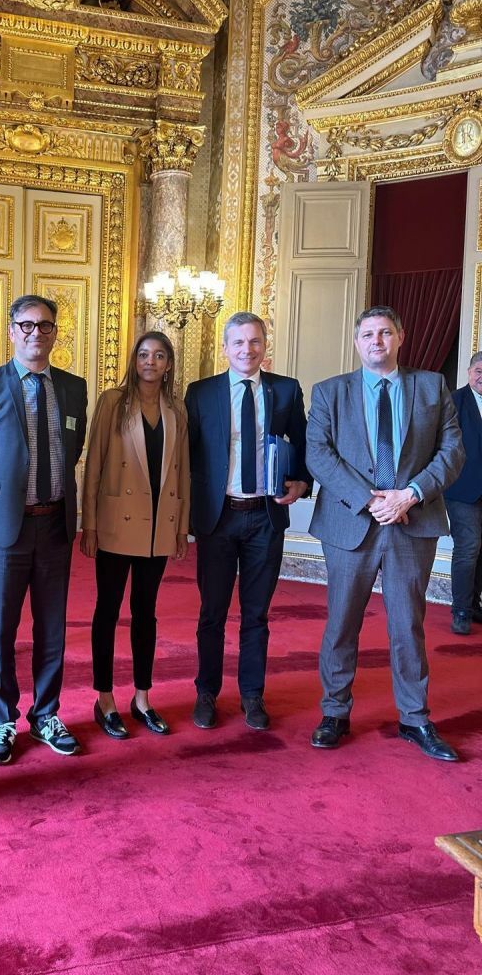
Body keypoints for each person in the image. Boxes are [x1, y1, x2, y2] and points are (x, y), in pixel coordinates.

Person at [307, 305, 464, 761]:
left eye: (385, 333)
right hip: (350, 522)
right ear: (357, 343)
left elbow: (452, 451)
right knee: (340, 623)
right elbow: (319, 454)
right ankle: (334, 712)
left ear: (401, 337)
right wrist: (370, 498)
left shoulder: (432, 386)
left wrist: (409, 494)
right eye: (368, 334)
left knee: (407, 626)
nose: (377, 341)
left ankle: (415, 718)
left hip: (412, 523)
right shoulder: (329, 392)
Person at [0, 294, 87, 765]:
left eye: (45, 326)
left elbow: (72, 448)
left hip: (54, 526)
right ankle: (2, 720)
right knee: (1, 631)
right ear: (11, 331)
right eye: (26, 325)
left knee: (53, 628)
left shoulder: (74, 388)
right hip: (4, 532)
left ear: (55, 333)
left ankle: (47, 713)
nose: (36, 333)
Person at [185, 311, 310, 732]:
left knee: (256, 614)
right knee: (211, 613)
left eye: (254, 342)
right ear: (225, 348)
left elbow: (305, 448)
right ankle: (206, 692)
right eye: (238, 343)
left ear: (264, 345)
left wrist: (302, 485)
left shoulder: (286, 391)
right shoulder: (200, 393)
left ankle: (252, 696)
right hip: (218, 518)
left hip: (265, 519)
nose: (247, 350)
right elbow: (189, 457)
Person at [80, 331, 190, 739]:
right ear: (134, 360)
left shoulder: (177, 408)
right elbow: (94, 464)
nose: (150, 362)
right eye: (144, 354)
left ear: (168, 364)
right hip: (114, 524)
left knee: (146, 613)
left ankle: (142, 698)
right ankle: (105, 698)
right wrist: (88, 523)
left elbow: (182, 470)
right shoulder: (113, 402)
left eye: (159, 355)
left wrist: (181, 527)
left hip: (158, 528)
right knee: (107, 611)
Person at [443, 351, 482, 636]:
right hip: (461, 489)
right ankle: (461, 610)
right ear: (469, 372)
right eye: (478, 370)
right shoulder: (454, 402)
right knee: (468, 548)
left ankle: (475, 606)